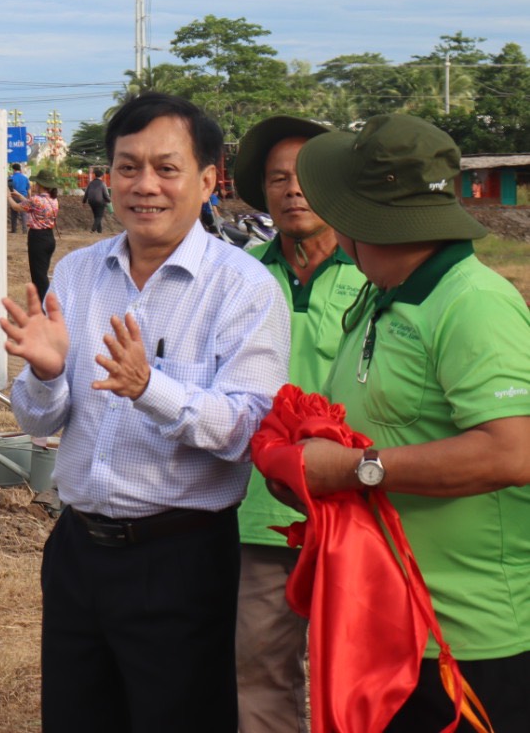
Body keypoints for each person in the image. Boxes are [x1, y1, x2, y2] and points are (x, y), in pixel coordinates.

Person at [1, 91, 289, 731]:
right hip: (78, 551)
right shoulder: (76, 276)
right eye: (127, 167)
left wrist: (149, 387)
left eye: (166, 168)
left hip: (180, 561)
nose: (144, 186)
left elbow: (250, 430)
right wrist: (46, 377)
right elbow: (39, 423)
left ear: (209, 180)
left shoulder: (243, 288)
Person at [292, 114, 530, 732]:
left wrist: (350, 471)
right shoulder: (378, 295)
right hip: (388, 624)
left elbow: (512, 452)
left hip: (470, 640)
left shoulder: (472, 303)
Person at [229, 116, 367, 733]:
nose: (293, 190)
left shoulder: (378, 273)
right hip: (265, 514)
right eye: (278, 178)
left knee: (365, 673)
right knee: (258, 668)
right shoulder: (239, 279)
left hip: (361, 505)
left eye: (308, 176)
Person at [7, 167, 59, 302]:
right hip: (49, 238)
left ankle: (45, 306)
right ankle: (46, 305)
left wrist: (8, 197)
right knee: (43, 273)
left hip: (37, 239)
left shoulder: (35, 200)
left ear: (40, 184)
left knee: (38, 277)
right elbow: (32, 205)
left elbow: (17, 207)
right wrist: (19, 196)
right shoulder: (54, 200)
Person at [83, 165, 110, 232]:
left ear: (95, 175)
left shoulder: (90, 183)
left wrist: (84, 201)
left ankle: (99, 230)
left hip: (91, 201)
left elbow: (86, 193)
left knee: (96, 215)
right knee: (99, 216)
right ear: (102, 176)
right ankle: (93, 229)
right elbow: (106, 194)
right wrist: (109, 200)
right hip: (99, 201)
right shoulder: (102, 184)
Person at [8, 161, 30, 233]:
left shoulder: (10, 178)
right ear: (20, 169)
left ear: (13, 169)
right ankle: (25, 230)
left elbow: (9, 188)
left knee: (14, 213)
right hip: (23, 196)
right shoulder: (25, 178)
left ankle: (14, 230)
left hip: (14, 196)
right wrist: (29, 198)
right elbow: (28, 189)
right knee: (24, 214)